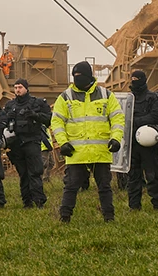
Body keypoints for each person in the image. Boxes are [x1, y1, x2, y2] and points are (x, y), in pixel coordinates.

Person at [52, 61, 124, 223]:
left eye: (80, 76)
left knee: (104, 187)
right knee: (71, 186)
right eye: (75, 76)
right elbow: (56, 122)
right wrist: (63, 143)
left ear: (89, 76)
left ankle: (109, 217)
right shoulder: (65, 97)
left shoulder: (106, 95)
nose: (77, 79)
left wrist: (116, 138)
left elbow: (117, 118)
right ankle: (65, 217)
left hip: (100, 151)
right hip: (76, 152)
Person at [3, 78, 52, 208]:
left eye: (20, 87)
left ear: (26, 88)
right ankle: (27, 201)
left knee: (35, 172)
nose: (18, 90)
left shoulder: (37, 103)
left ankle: (39, 201)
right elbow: (2, 122)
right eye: (16, 87)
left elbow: (49, 119)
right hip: (15, 143)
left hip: (32, 141)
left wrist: (34, 115)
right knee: (23, 174)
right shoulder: (10, 106)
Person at [127, 70, 158, 211]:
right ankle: (134, 205)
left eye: (137, 79)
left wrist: (134, 122)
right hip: (131, 143)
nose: (134, 81)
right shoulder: (128, 99)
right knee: (133, 176)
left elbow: (155, 117)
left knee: (153, 175)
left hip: (147, 143)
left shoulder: (153, 98)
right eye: (133, 79)